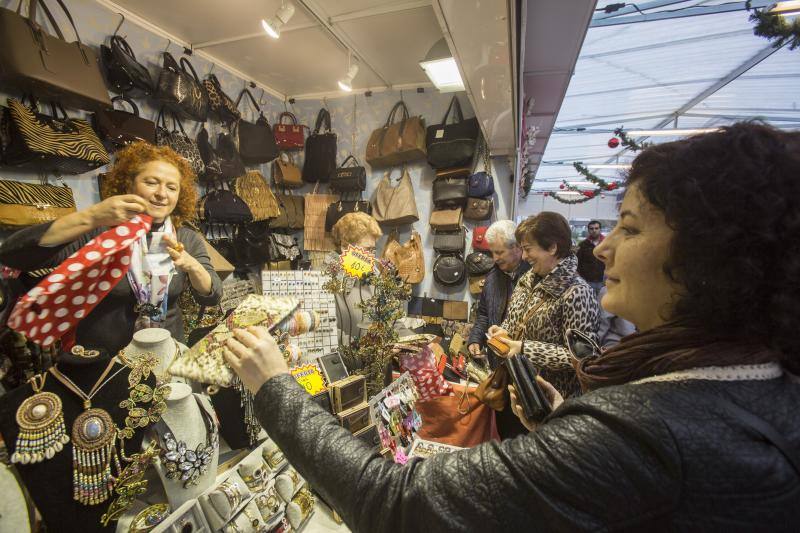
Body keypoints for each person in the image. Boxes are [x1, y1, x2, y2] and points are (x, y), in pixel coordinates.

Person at [222, 123, 800, 531]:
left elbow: (395, 502)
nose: (603, 244)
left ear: (706, 256)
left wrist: (276, 389)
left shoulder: (652, 429)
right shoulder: (758, 386)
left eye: (629, 226)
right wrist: (558, 428)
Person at [0, 142, 222, 355]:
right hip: (104, 362)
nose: (162, 194)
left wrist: (192, 266)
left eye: (172, 187)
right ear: (129, 184)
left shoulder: (185, 238)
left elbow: (211, 296)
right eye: (152, 182)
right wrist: (91, 217)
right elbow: (14, 255)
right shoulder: (102, 231)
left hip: (166, 355)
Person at [487, 212, 599, 399]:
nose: (523, 256)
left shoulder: (577, 292)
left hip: (552, 399)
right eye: (522, 249)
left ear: (552, 247)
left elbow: (583, 358)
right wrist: (504, 331)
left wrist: (525, 349)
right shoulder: (527, 280)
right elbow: (516, 321)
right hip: (520, 388)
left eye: (528, 249)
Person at [466, 220, 530, 368]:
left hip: (524, 365)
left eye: (499, 252)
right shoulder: (492, 277)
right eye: (492, 252)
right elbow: (484, 314)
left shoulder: (533, 278)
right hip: (497, 361)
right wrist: (476, 339)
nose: (494, 258)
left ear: (517, 247)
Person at [328, 211, 383, 346]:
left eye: (373, 250)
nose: (371, 256)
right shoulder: (324, 278)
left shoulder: (374, 274)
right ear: (344, 246)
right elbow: (324, 331)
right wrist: (364, 348)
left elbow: (390, 316)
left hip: (376, 360)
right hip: (341, 363)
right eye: (367, 249)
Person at [576, 219, 605, 297]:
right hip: (587, 281)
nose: (594, 230)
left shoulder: (606, 244)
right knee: (588, 305)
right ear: (588, 230)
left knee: (601, 305)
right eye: (591, 229)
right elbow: (577, 262)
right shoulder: (583, 245)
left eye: (596, 228)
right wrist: (581, 280)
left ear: (600, 229)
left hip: (603, 282)